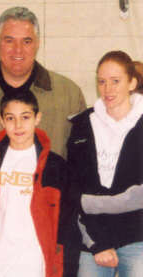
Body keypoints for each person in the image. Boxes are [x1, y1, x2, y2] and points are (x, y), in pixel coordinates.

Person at [0, 91, 80, 277]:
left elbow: (68, 229)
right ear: (2, 121)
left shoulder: (57, 169)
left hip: (34, 265)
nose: (18, 125)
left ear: (38, 118)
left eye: (25, 117)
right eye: (10, 118)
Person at [0, 6, 86, 162]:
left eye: (26, 41)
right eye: (9, 40)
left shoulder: (69, 96)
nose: (18, 50)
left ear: (37, 44)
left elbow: (80, 166)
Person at [67, 50, 143, 277]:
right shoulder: (81, 124)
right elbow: (74, 189)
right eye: (102, 81)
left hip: (138, 237)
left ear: (131, 83)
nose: (108, 89)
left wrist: (91, 203)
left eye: (115, 81)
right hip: (93, 240)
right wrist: (96, 243)